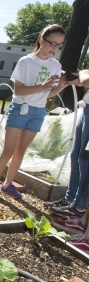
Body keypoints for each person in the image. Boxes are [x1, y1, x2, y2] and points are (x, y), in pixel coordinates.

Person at [0, 24, 69, 199]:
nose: (55, 48)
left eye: (59, 45)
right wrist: (42, 85)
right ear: (41, 40)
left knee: (21, 151)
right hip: (20, 110)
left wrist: (61, 86)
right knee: (8, 150)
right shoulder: (26, 62)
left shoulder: (55, 65)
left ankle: (7, 184)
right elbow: (18, 91)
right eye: (52, 43)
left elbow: (47, 94)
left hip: (38, 112)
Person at [47, 69, 89, 226]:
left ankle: (78, 206)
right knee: (76, 156)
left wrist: (83, 74)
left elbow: (87, 79)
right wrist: (76, 80)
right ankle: (70, 198)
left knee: (85, 161)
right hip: (87, 110)